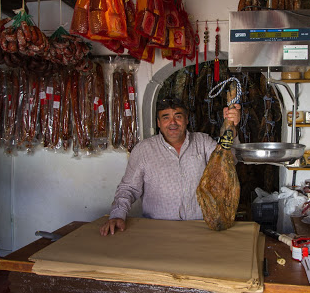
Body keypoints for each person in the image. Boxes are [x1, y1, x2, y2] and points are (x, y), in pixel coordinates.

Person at [100, 98, 241, 236]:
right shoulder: (143, 149)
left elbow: (229, 161)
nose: (172, 122)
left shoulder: (202, 142)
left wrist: (231, 127)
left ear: (186, 120)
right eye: (166, 117)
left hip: (201, 228)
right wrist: (117, 215)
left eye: (178, 116)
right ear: (159, 123)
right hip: (158, 231)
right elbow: (129, 188)